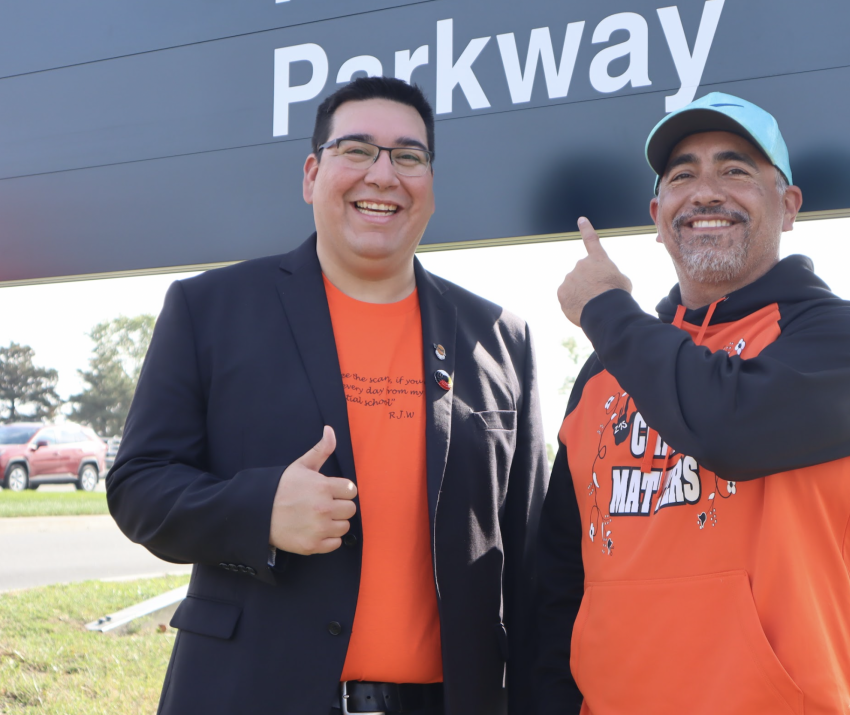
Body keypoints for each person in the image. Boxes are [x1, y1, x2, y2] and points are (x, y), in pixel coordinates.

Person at [106, 77, 547, 715]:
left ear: (430, 182)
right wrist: (260, 511)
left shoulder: (499, 337)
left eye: (409, 156)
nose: (384, 175)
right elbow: (138, 487)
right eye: (357, 150)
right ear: (313, 174)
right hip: (252, 693)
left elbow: (533, 555)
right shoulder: (211, 309)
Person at [537, 92, 850, 715]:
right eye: (683, 175)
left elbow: (729, 429)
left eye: (735, 170)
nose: (705, 191)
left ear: (787, 206)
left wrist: (606, 311)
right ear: (658, 215)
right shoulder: (603, 375)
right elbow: (556, 580)